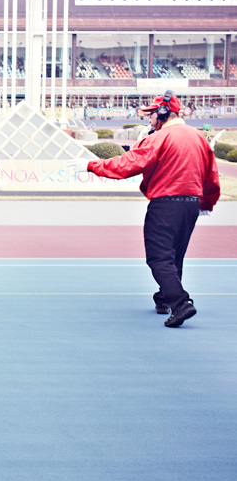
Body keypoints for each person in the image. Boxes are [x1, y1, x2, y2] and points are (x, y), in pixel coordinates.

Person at [69, 91, 220, 327]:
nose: (149, 119)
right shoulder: (198, 137)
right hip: (191, 204)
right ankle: (164, 298)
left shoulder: (159, 138)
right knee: (174, 256)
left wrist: (90, 165)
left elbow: (128, 164)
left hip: (165, 203)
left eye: (152, 114)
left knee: (159, 258)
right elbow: (211, 174)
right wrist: (206, 203)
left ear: (163, 112)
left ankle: (181, 304)